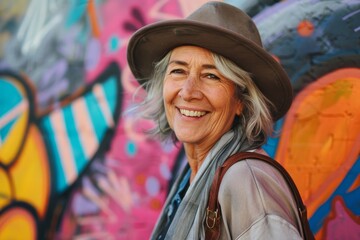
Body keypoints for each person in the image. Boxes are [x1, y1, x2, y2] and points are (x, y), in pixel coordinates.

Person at [127, 1, 304, 239]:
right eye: (178, 71)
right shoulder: (194, 175)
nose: (188, 92)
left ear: (241, 100)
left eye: (211, 75)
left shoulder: (247, 182)